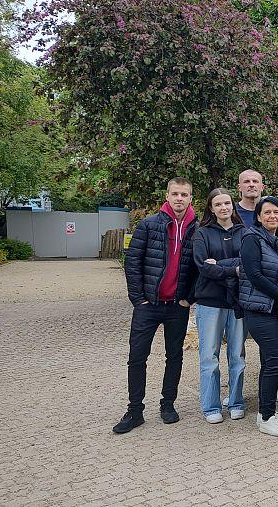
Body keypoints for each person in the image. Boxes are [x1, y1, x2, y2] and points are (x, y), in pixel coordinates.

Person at [114, 177, 198, 434]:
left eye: (184, 194)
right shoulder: (149, 224)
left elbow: (201, 268)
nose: (179, 198)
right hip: (148, 305)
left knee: (174, 356)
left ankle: (168, 404)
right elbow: (133, 262)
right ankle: (135, 410)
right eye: (175, 194)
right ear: (167, 195)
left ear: (191, 198)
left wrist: (189, 298)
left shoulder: (197, 229)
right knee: (137, 357)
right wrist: (138, 298)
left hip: (177, 305)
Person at [238, 196, 278, 436]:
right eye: (267, 213)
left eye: (276, 212)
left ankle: (269, 410)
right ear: (258, 217)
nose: (272, 216)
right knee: (275, 360)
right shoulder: (251, 239)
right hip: (260, 310)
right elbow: (255, 275)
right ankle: (265, 418)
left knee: (269, 362)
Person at [193, 188, 247, 424]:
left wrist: (221, 266)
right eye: (218, 204)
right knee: (209, 357)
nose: (223, 208)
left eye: (227, 203)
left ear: (232, 206)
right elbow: (203, 267)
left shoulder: (244, 232)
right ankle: (211, 406)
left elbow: (247, 264)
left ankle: (236, 401)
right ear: (211, 208)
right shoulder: (202, 234)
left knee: (237, 356)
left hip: (237, 302)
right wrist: (233, 269)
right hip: (210, 302)